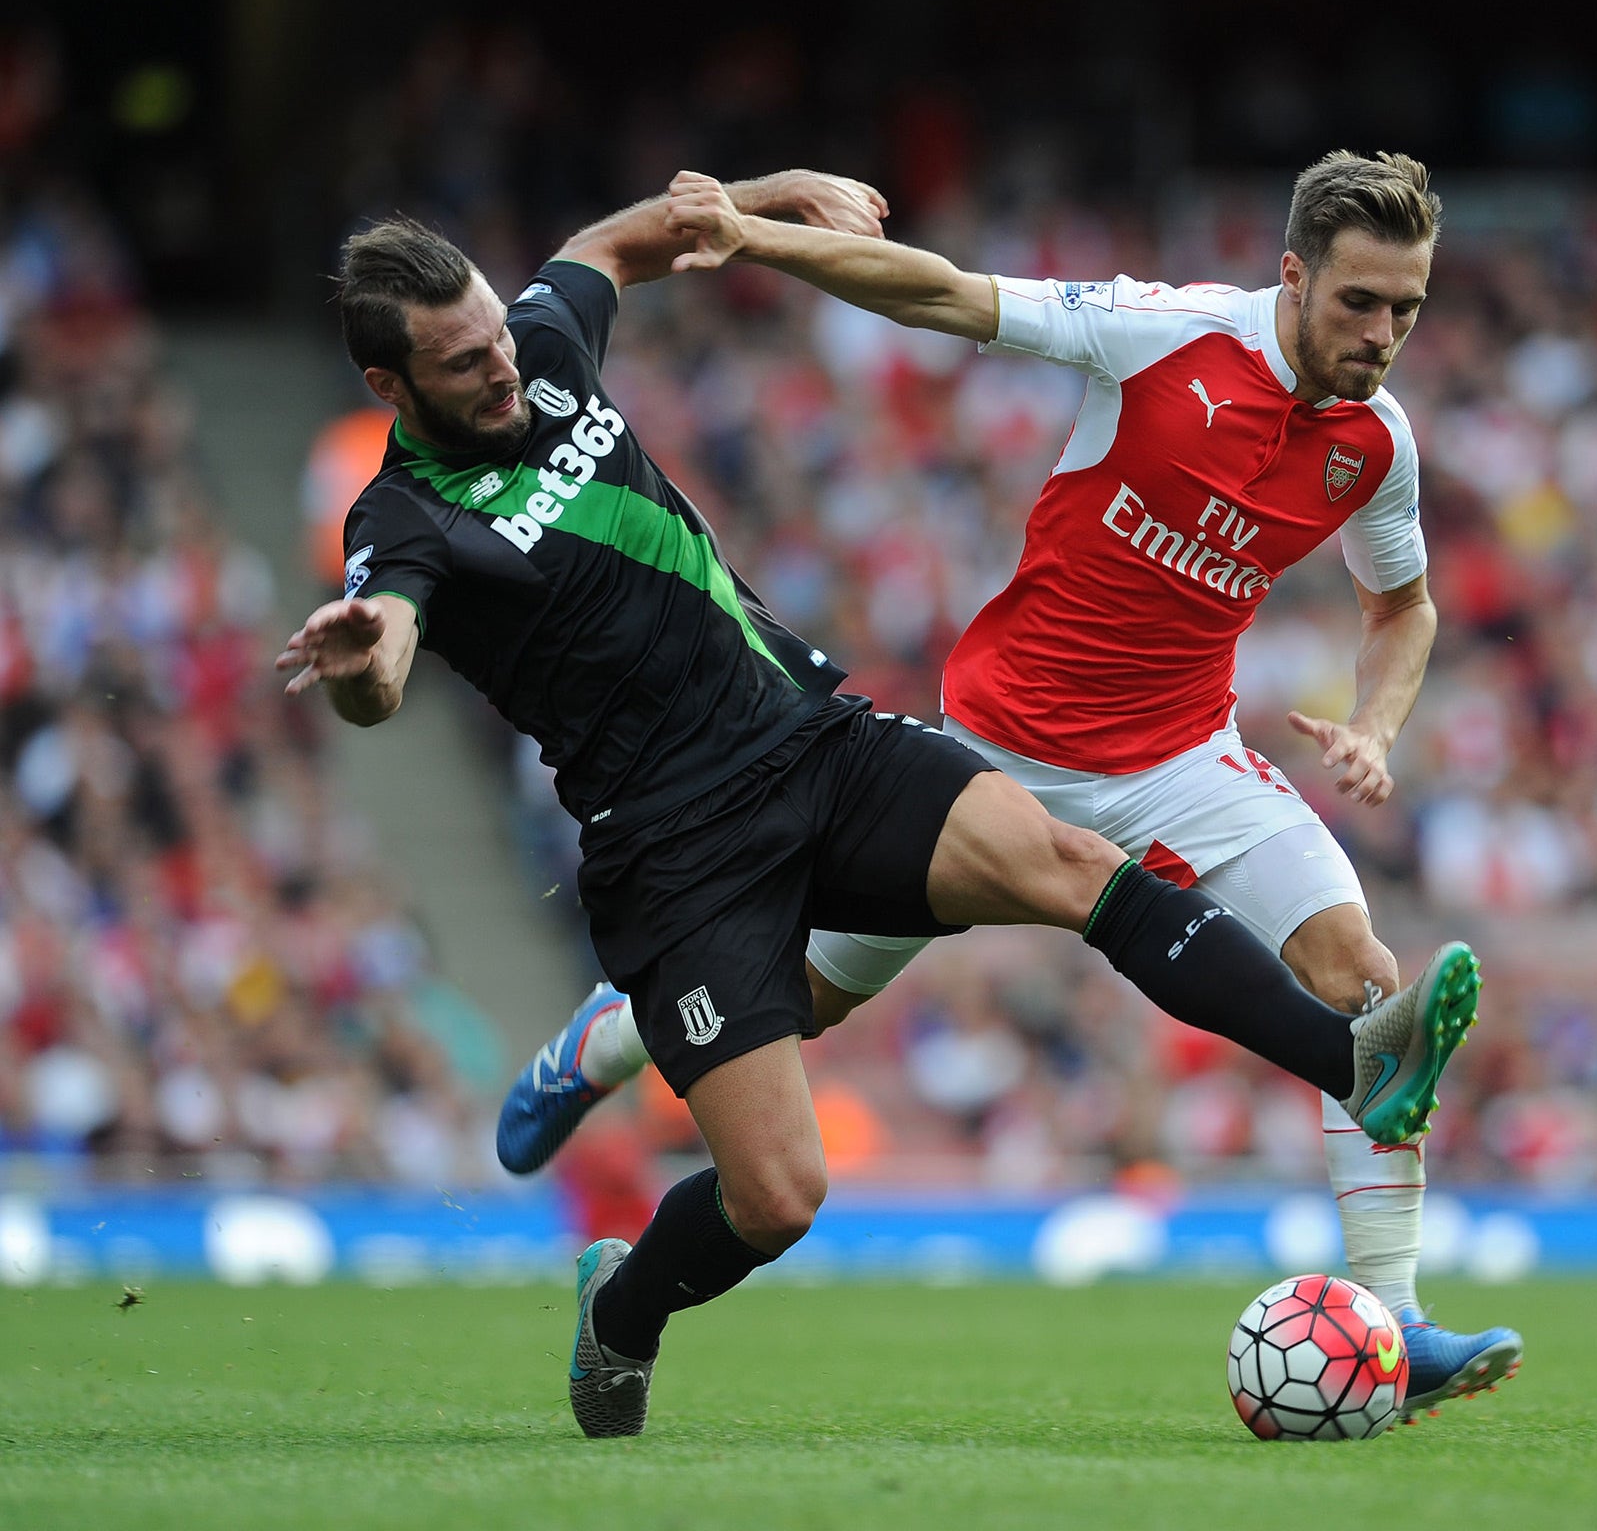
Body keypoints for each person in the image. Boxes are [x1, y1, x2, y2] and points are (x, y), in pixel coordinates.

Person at [279, 167, 1482, 1439]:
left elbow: (606, 243)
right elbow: (385, 645)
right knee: (780, 1187)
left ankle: (1368, 1127)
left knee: (1087, 879)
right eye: (462, 364)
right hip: (682, 842)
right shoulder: (402, 517)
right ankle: (620, 1284)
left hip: (822, 737)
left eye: (492, 333)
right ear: (391, 389)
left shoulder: (543, 344)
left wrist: (761, 198)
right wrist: (372, 661)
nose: (499, 370)